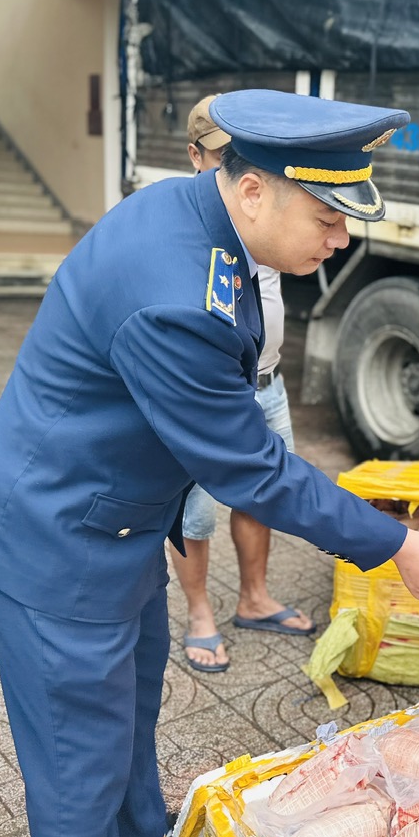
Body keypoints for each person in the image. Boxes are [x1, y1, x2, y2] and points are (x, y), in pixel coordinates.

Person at [0, 89, 419, 837]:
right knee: (78, 766)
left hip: (115, 524)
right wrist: (396, 544)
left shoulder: (202, 219)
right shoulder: (178, 295)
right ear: (253, 189)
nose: (341, 239)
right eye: (328, 218)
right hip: (58, 546)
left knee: (129, 706)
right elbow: (251, 469)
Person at [174, 95, 311, 675]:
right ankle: (199, 613)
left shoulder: (262, 206)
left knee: (265, 493)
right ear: (195, 157)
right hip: (211, 393)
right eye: (221, 158)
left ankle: (254, 599)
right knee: (194, 512)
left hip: (267, 382)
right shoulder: (188, 225)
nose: (237, 171)